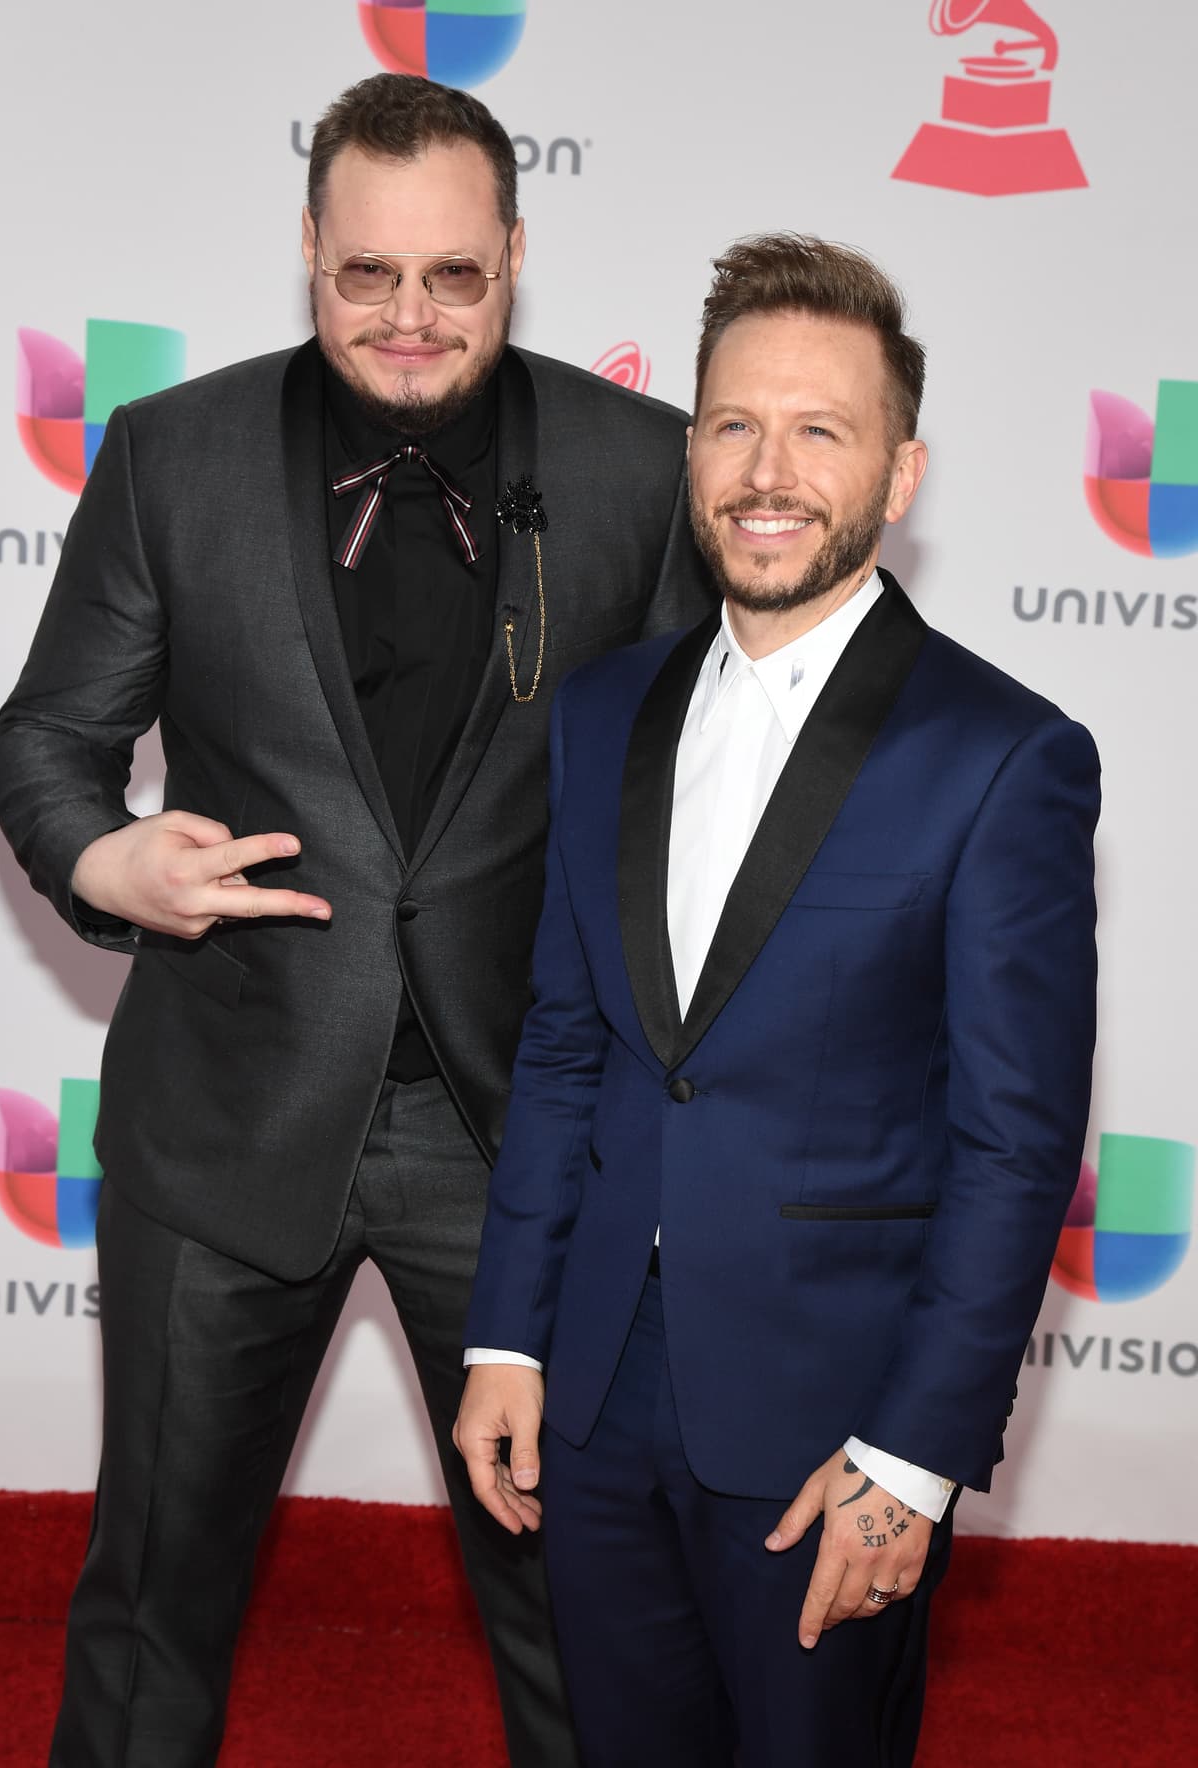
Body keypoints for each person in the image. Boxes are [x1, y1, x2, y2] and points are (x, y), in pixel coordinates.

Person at [0, 72, 710, 1768]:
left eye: (452, 276)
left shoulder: (637, 472)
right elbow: (48, 741)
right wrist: (109, 865)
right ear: (306, 247)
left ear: (517, 257)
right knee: (155, 1592)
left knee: (575, 1612)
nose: (407, 317)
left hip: (526, 1141)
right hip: (227, 1120)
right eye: (365, 273)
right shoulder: (175, 456)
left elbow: (715, 785)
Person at [454, 233, 1099, 1767]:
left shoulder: (1002, 755)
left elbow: (1016, 1148)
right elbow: (566, 1048)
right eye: (736, 424)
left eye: (823, 430)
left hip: (836, 1428)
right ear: (693, 451)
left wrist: (917, 1458)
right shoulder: (606, 709)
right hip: (594, 1397)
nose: (769, 469)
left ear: (902, 473)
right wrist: (508, 1343)